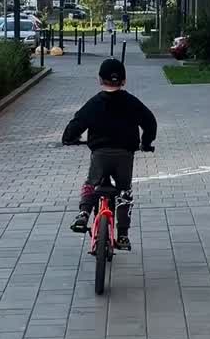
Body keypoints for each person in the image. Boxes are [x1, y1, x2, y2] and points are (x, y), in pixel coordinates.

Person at [62, 57, 157, 251]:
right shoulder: (132, 102)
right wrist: (146, 143)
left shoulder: (94, 103)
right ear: (124, 81)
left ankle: (83, 213)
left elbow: (76, 123)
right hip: (124, 155)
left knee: (91, 183)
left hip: (100, 154)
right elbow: (150, 122)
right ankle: (122, 234)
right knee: (124, 192)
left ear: (99, 79)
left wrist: (69, 139)